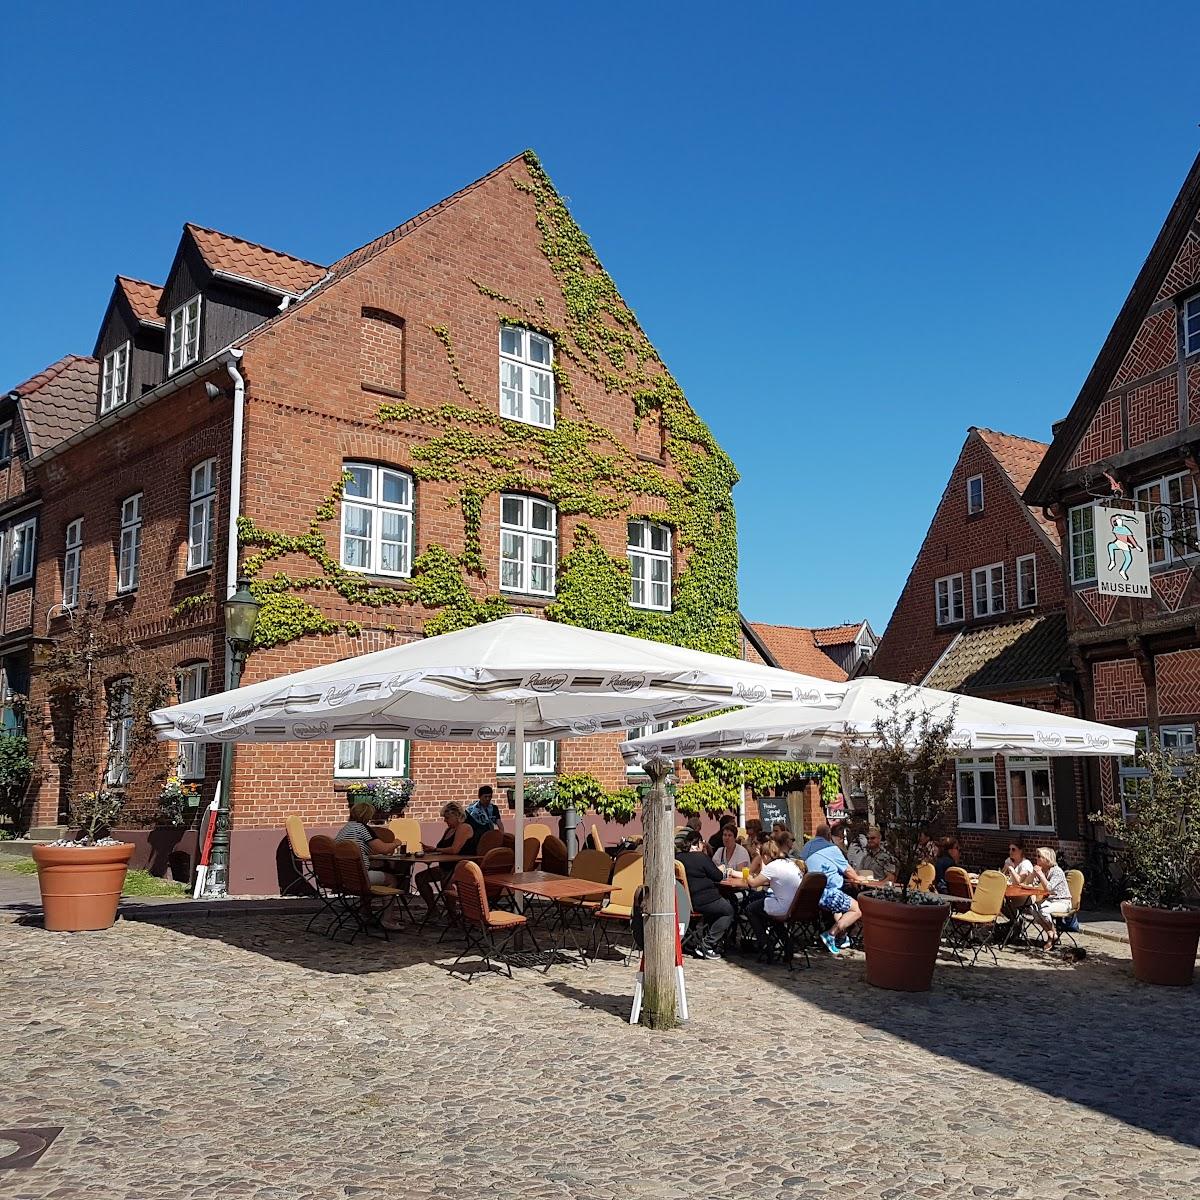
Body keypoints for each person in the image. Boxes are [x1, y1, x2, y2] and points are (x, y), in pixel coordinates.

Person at [334, 801, 402, 928]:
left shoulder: (345, 829)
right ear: (367, 815)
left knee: (368, 871)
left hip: (343, 877)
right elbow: (383, 849)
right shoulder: (363, 829)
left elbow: (363, 848)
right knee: (392, 879)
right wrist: (396, 843)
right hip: (359, 878)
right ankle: (387, 919)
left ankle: (365, 912)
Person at [739, 837, 805, 955]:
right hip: (796, 906)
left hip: (784, 906)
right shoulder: (789, 862)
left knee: (751, 909)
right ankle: (786, 943)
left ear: (765, 856)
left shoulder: (772, 866)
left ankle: (764, 943)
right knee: (769, 913)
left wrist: (747, 874)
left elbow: (753, 883)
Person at [675, 829, 735, 958]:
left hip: (686, 900)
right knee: (728, 910)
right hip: (704, 899)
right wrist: (721, 869)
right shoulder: (700, 857)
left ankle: (690, 942)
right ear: (698, 843)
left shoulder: (677, 858)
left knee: (717, 910)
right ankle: (708, 944)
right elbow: (718, 876)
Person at [805, 833, 863, 955]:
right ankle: (831, 934)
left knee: (838, 909)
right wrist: (858, 879)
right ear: (829, 836)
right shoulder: (831, 849)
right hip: (829, 894)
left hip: (812, 895)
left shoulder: (807, 848)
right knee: (857, 909)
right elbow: (848, 870)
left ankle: (842, 937)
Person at [415, 801, 474, 912]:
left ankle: (452, 913)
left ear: (456, 815)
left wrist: (435, 849)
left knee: (446, 881)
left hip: (459, 868)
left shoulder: (464, 827)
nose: (445, 820)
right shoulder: (449, 830)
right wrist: (430, 851)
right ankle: (432, 909)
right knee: (420, 878)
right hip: (446, 867)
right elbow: (443, 849)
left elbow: (454, 849)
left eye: (447, 818)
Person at [1030, 846, 1073, 946]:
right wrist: (1033, 874)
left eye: (1039, 856)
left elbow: (1049, 888)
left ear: (1047, 859)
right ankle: (1051, 932)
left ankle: (1052, 935)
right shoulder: (1044, 870)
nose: (1036, 858)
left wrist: (1040, 874)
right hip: (1050, 900)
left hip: (1063, 902)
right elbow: (1031, 884)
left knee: (1043, 910)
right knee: (1032, 907)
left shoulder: (1056, 871)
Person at [464, 784, 502, 850]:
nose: (488, 799)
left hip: (489, 837)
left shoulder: (493, 808)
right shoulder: (471, 810)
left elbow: (499, 823)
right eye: (485, 796)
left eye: (490, 797)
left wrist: (501, 835)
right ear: (479, 796)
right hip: (475, 838)